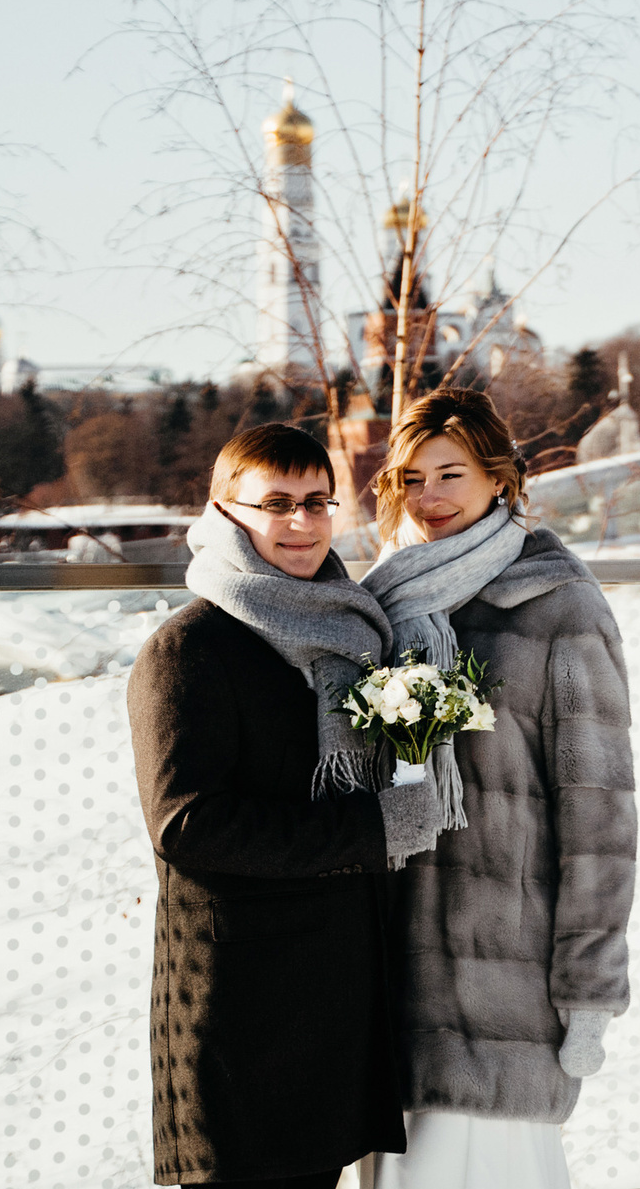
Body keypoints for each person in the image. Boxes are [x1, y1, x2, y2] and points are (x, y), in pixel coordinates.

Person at [129, 422, 449, 1188]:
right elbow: (188, 823)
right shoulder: (191, 648)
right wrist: (372, 827)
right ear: (226, 511)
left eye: (317, 500)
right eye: (276, 503)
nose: (302, 522)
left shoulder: (347, 636)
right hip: (241, 1011)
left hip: (331, 1002)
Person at [353, 387, 636, 1189]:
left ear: (500, 479)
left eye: (450, 474)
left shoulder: (558, 603)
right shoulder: (386, 600)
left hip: (501, 982)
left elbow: (601, 812)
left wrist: (590, 989)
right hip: (391, 974)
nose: (430, 497)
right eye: (410, 479)